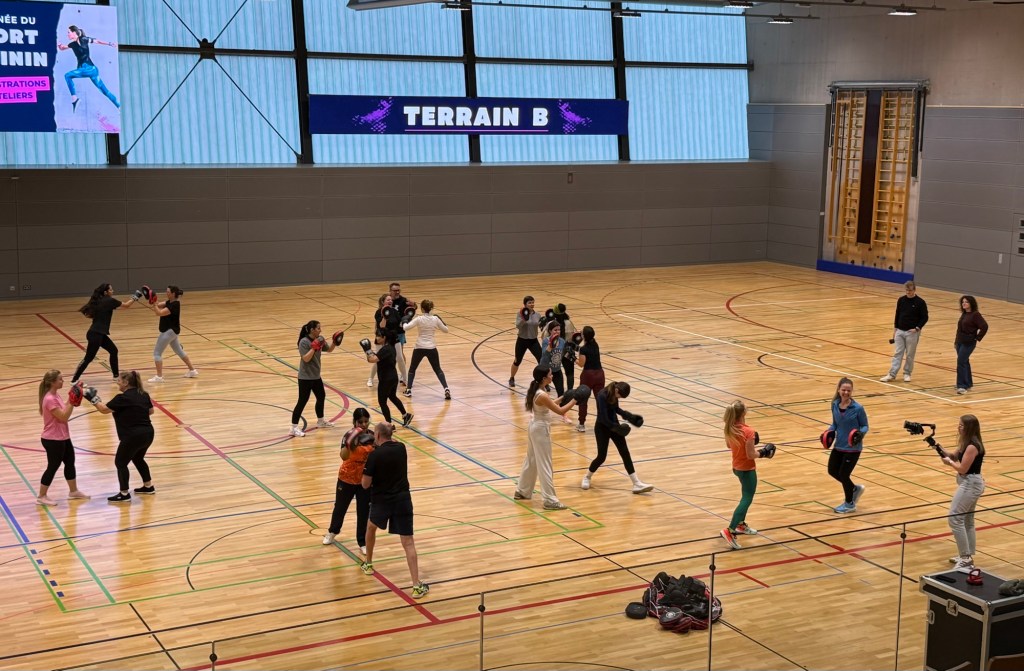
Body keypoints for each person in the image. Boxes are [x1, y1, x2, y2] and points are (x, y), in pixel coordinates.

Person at [359, 422, 429, 599]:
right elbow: (392, 442)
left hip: (381, 501)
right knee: (408, 543)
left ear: (377, 436)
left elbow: (365, 484)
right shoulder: (401, 448)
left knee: (371, 528)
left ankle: (368, 564)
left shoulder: (374, 456)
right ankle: (416, 586)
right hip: (402, 500)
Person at [513, 366, 576, 510]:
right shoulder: (542, 395)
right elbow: (560, 410)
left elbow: (550, 404)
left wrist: (564, 397)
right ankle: (550, 500)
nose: (552, 376)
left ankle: (522, 490)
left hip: (534, 427)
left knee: (532, 459)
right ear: (544, 378)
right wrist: (574, 400)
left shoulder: (538, 390)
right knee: (545, 464)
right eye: (550, 374)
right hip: (541, 430)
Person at [92, 371, 155, 502]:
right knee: (138, 458)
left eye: (119, 381)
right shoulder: (143, 394)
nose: (117, 383)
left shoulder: (122, 398)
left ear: (126, 383)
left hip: (132, 436)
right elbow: (150, 411)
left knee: (120, 462)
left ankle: (124, 494)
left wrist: (93, 398)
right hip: (148, 433)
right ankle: (148, 487)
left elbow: (103, 409)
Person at [581, 381, 653, 494]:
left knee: (625, 452)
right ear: (616, 390)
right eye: (620, 396)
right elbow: (603, 418)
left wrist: (629, 416)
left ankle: (636, 483)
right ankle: (587, 477)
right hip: (602, 428)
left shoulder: (614, 393)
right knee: (601, 457)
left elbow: (616, 409)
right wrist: (617, 428)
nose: (619, 398)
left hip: (614, 425)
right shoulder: (602, 395)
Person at [323, 408, 373, 555]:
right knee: (340, 507)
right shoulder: (348, 435)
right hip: (346, 478)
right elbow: (343, 456)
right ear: (354, 422)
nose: (363, 424)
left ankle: (362, 541)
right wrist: (349, 444)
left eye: (366, 421)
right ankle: (332, 532)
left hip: (364, 479)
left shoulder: (372, 436)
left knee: (363, 511)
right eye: (360, 422)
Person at [36, 370, 90, 506]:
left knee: (70, 462)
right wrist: (72, 401)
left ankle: (73, 491)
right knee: (53, 466)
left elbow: (64, 408)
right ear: (52, 382)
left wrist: (71, 399)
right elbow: (64, 417)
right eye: (60, 379)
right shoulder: (49, 399)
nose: (63, 381)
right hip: (52, 439)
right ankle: (41, 496)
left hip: (63, 436)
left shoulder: (55, 395)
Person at [719, 400, 767, 550]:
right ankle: (730, 530)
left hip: (736, 467)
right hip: (747, 469)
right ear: (743, 413)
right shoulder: (748, 431)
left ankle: (740, 525)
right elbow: (751, 455)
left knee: (745, 496)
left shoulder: (730, 427)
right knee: (747, 498)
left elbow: (729, 445)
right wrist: (764, 452)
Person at [941, 414, 986, 571]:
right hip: (970, 483)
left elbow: (962, 469)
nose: (958, 427)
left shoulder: (973, 446)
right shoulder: (965, 442)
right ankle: (967, 555)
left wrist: (950, 463)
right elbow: (953, 456)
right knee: (967, 520)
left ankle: (966, 558)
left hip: (971, 484)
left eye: (961, 425)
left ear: (969, 428)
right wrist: (937, 447)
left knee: (955, 518)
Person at [70, 283, 136, 385]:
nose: (113, 291)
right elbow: (127, 305)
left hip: (98, 334)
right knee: (88, 358)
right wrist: (135, 297)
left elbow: (87, 314)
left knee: (113, 351)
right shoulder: (110, 301)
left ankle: (115, 376)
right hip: (96, 335)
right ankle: (74, 380)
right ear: (106, 292)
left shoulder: (98, 300)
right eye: (111, 290)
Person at [824, 377, 869, 514]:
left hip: (853, 448)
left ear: (852, 391)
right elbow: (835, 424)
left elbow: (865, 425)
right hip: (839, 445)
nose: (846, 392)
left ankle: (849, 504)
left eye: (849, 390)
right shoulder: (834, 404)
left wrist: (860, 434)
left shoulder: (858, 408)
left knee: (844, 474)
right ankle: (854, 489)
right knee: (832, 470)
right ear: (839, 390)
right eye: (843, 390)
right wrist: (828, 432)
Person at [290, 320, 338, 437]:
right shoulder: (304, 342)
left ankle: (321, 421)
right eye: (318, 328)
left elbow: (329, 350)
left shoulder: (320, 339)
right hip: (305, 377)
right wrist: (314, 347)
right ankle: (293, 428)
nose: (320, 330)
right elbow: (306, 359)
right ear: (312, 330)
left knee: (321, 397)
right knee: (302, 401)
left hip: (316, 376)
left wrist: (335, 342)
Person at [58, 25, 120, 112]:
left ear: (74, 32)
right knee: (105, 91)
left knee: (67, 76)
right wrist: (59, 45)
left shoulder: (83, 39)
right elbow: (62, 48)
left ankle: (74, 99)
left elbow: (97, 41)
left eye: (69, 32)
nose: (67, 34)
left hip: (89, 68)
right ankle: (119, 107)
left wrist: (110, 43)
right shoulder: (72, 44)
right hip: (91, 71)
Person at [147, 285, 199, 382]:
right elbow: (158, 305)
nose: (166, 293)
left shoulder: (174, 305)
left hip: (169, 332)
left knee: (157, 353)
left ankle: (159, 377)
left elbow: (159, 313)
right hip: (173, 332)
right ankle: (192, 370)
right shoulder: (169, 302)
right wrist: (152, 300)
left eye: (168, 292)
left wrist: (154, 304)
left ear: (173, 294)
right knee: (179, 351)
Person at [880, 280, 928, 383]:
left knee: (910, 354)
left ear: (914, 290)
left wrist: (917, 328)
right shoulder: (901, 300)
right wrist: (895, 328)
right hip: (900, 331)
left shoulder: (920, 302)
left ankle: (907, 373)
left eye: (910, 290)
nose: (908, 292)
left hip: (912, 332)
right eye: (906, 290)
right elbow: (897, 314)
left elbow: (925, 317)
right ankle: (892, 374)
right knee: (898, 353)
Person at [401, 299, 451, 399]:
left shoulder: (419, 319)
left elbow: (405, 328)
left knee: (412, 369)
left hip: (419, 347)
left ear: (422, 309)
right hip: (431, 347)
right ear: (431, 308)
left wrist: (405, 320)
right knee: (437, 369)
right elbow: (446, 330)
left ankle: (409, 390)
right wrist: (442, 321)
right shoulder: (435, 319)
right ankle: (446, 389)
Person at [366, 330, 413, 428]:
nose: (376, 338)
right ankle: (405, 415)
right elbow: (374, 357)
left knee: (382, 402)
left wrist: (367, 350)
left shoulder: (385, 349)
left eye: (378, 336)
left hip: (386, 379)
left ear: (384, 338)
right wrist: (370, 352)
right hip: (393, 377)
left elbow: (372, 359)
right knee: (392, 397)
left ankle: (389, 425)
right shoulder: (390, 348)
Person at [954, 295, 988, 395]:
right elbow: (959, 329)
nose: (964, 304)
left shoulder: (975, 315)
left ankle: (962, 386)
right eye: (963, 302)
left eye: (966, 302)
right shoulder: (964, 314)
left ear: (971, 303)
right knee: (965, 362)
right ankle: (967, 383)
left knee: (961, 362)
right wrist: (956, 342)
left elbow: (984, 326)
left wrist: (977, 338)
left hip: (968, 342)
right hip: (960, 341)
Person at [373, 294, 408, 387]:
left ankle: (405, 379)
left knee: (400, 358)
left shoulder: (394, 311)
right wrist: (385, 317)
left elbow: (399, 323)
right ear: (383, 302)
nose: (390, 301)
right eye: (388, 300)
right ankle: (371, 378)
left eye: (391, 300)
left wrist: (406, 320)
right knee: (378, 359)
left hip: (393, 337)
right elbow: (381, 326)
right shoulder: (379, 312)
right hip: (382, 338)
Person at [575, 326, 604, 434]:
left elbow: (581, 364)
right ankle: (603, 423)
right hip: (600, 374)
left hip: (588, 375)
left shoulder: (583, 349)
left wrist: (573, 358)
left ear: (583, 336)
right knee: (600, 400)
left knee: (583, 399)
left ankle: (581, 424)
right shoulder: (595, 344)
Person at [543, 304, 579, 390]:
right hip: (568, 351)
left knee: (554, 372)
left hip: (555, 351)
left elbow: (544, 337)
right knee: (570, 374)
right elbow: (574, 337)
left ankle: (547, 385)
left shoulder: (551, 324)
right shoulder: (569, 323)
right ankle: (570, 391)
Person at [509, 296, 542, 388]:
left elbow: (541, 326)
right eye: (529, 303)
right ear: (525, 304)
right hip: (522, 340)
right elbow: (518, 326)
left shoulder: (537, 315)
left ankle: (541, 380)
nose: (532, 304)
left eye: (533, 302)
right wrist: (524, 319)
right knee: (517, 360)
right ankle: (512, 378)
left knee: (541, 360)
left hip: (533, 341)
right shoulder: (520, 314)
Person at [539, 323, 570, 407]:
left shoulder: (562, 341)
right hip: (545, 371)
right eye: (555, 330)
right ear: (550, 331)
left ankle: (562, 411)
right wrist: (550, 345)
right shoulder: (546, 341)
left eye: (559, 330)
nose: (557, 332)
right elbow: (544, 355)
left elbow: (564, 354)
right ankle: (538, 409)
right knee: (540, 392)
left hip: (557, 370)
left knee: (561, 392)